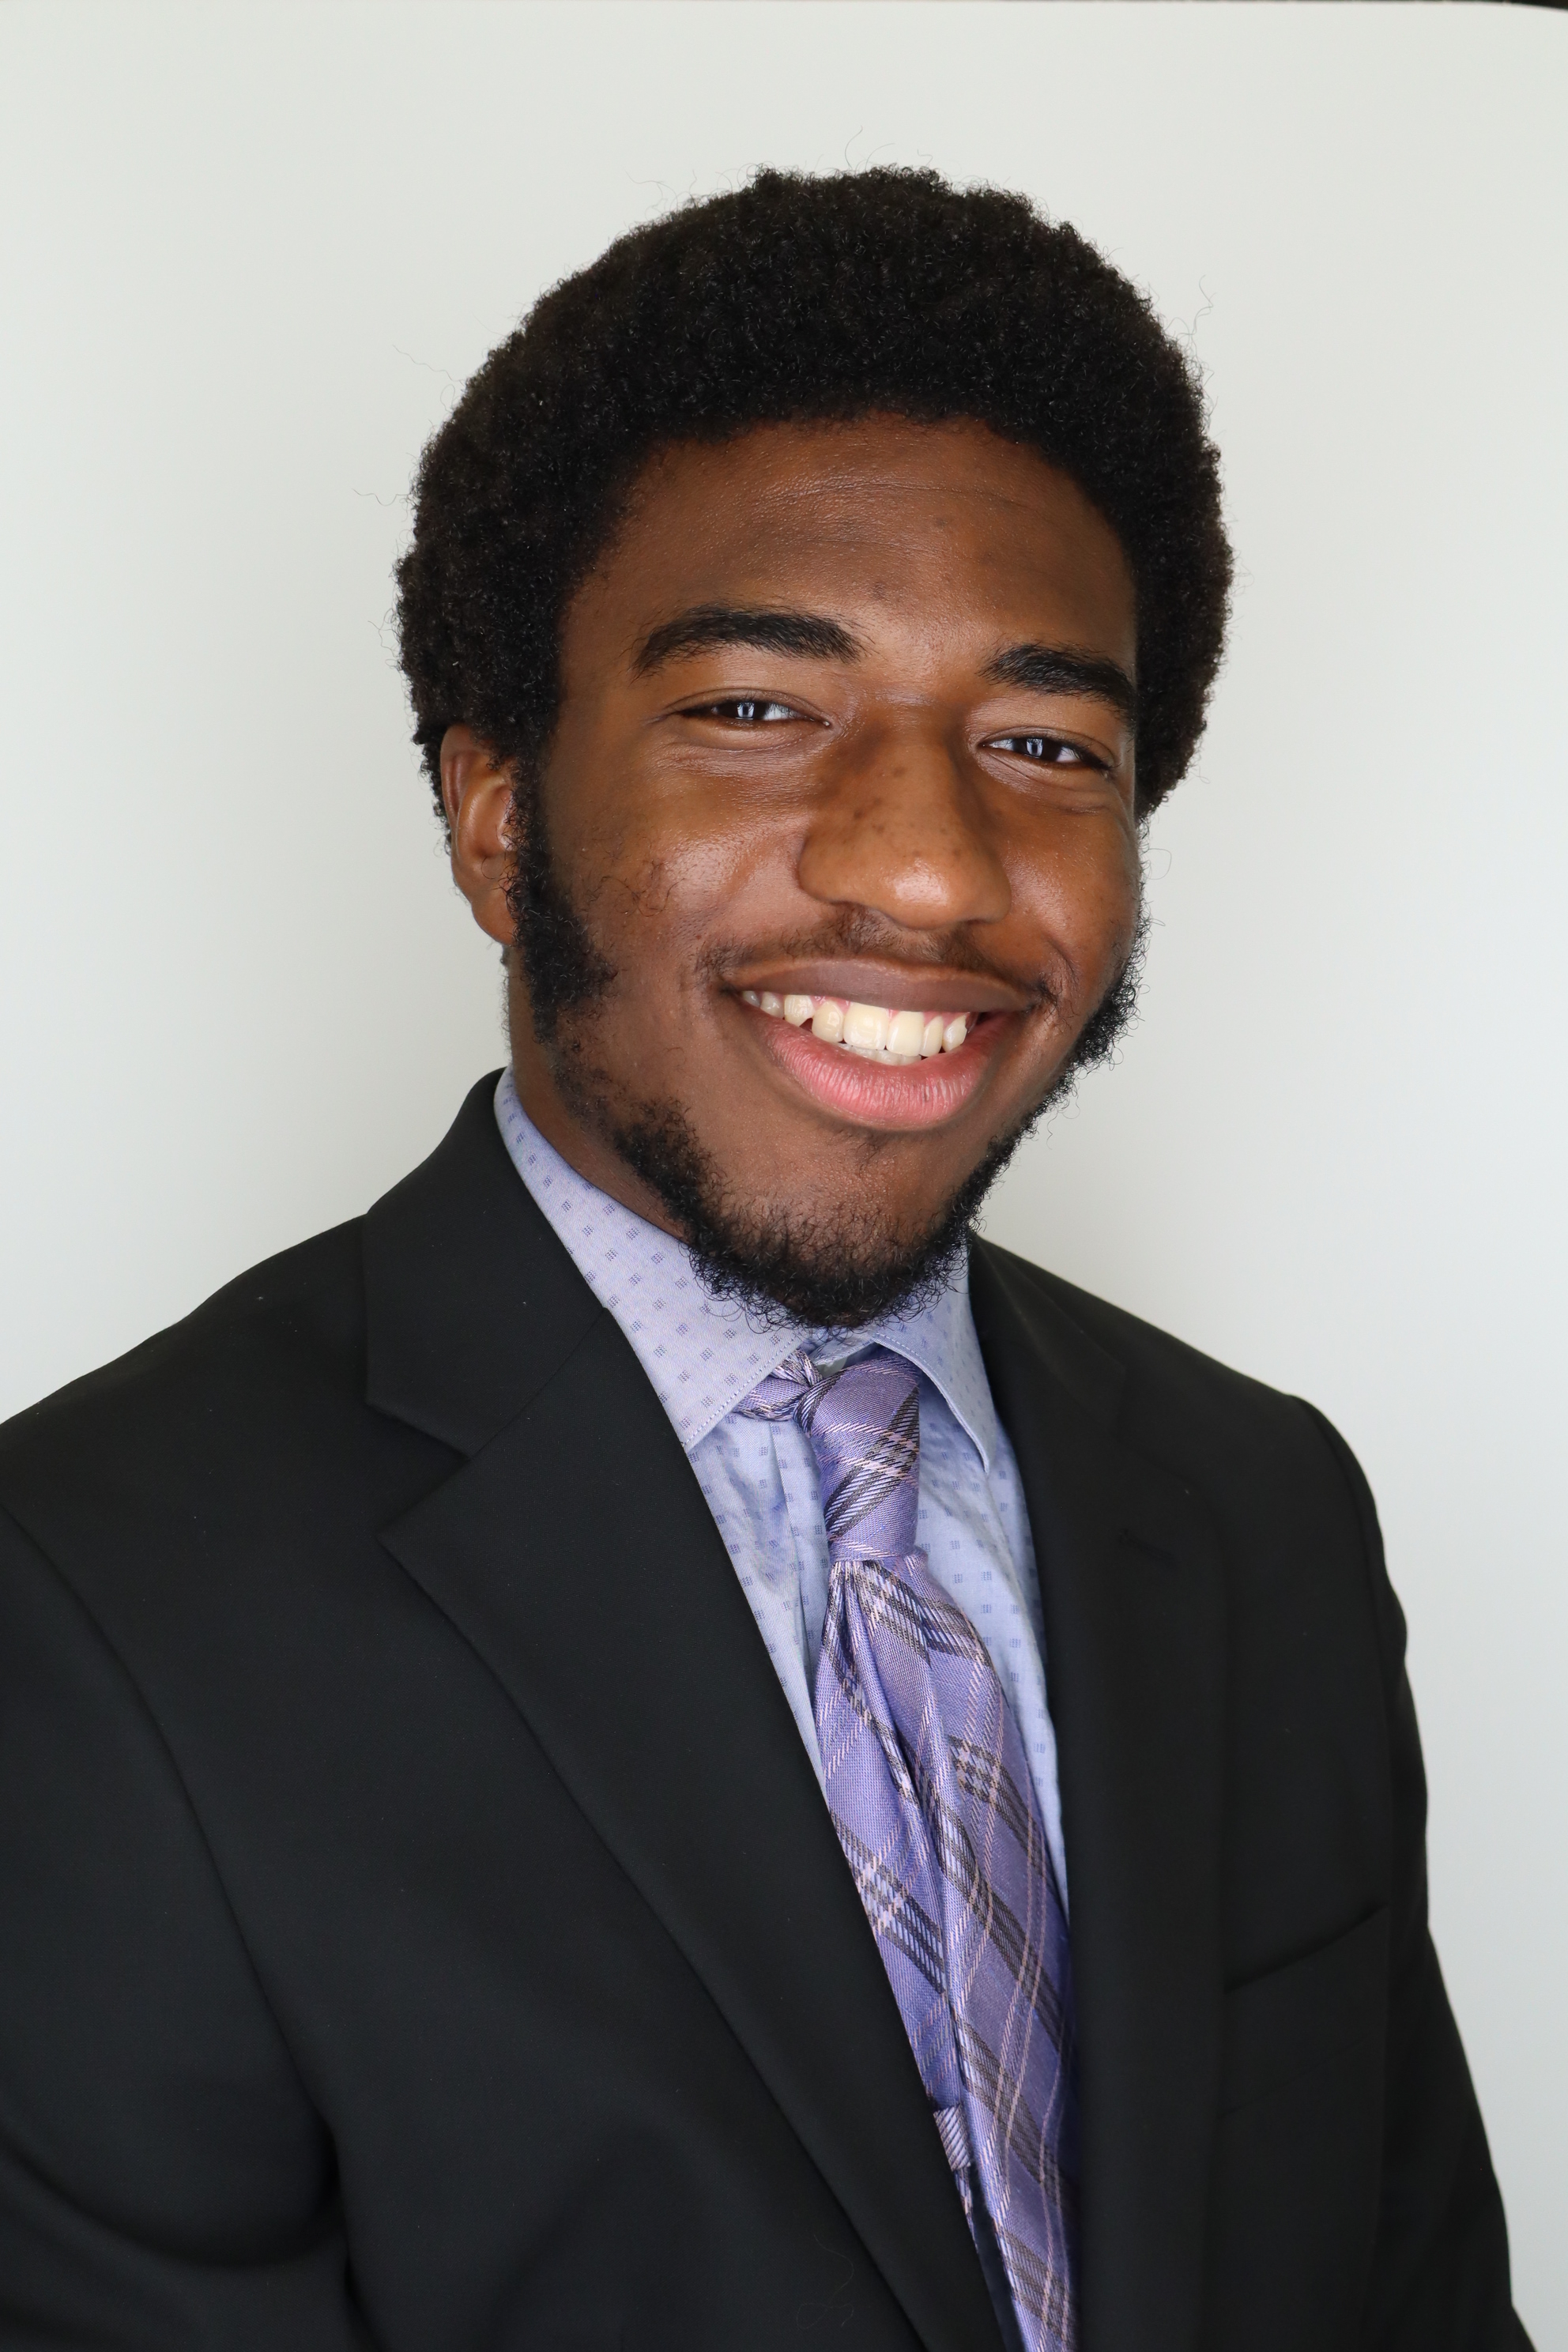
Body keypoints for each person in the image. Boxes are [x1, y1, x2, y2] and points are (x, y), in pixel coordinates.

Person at [0, 168, 1528, 2352]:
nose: (924, 868)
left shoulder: (1265, 1508)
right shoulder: (82, 1613)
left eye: (1042, 743)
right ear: (497, 812)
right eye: (755, 707)